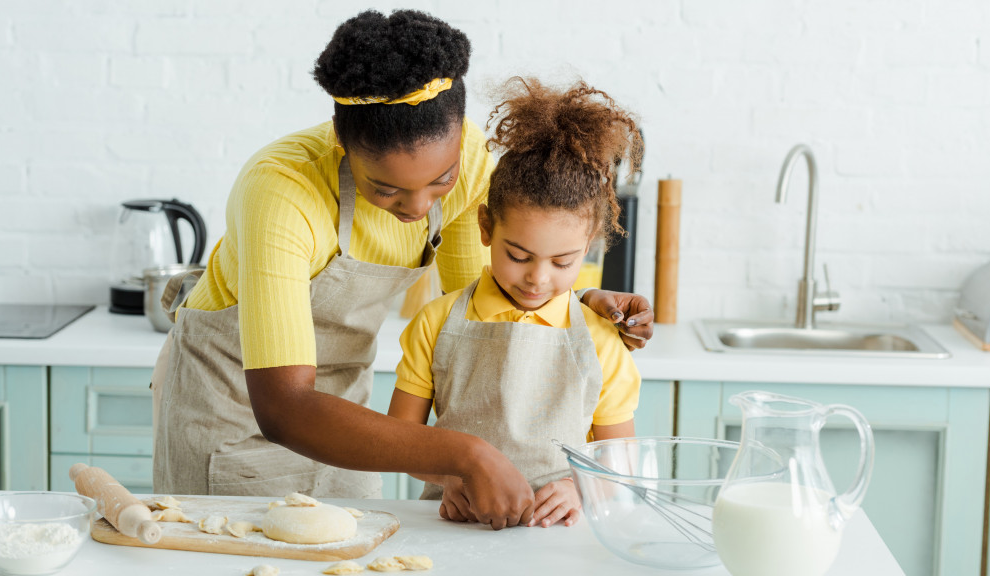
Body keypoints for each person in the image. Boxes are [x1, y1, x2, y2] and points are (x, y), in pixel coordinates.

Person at [150, 10, 652, 529]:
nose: (417, 206)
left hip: (351, 416)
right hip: (237, 409)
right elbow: (284, 406)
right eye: (385, 188)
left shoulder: (472, 163)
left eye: (441, 180)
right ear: (342, 142)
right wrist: (462, 456)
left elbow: (483, 321)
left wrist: (573, 305)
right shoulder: (281, 193)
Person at [387, 78, 642, 529]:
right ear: (486, 227)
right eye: (519, 256)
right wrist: (448, 476)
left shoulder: (601, 339)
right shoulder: (436, 322)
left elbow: (620, 461)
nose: (537, 278)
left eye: (562, 262)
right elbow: (400, 441)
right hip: (454, 525)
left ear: (588, 248)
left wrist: (581, 488)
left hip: (557, 533)